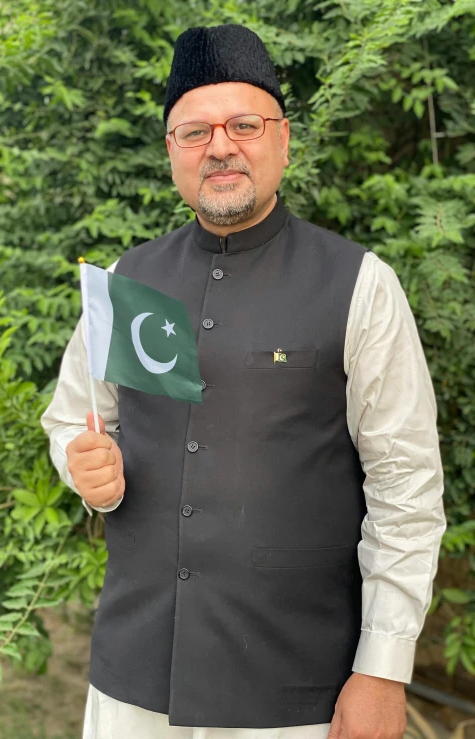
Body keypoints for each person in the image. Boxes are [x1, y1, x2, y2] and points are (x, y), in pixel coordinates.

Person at [41, 23, 447, 739]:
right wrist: (82, 466)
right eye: (194, 131)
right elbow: (74, 420)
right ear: (172, 153)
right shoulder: (125, 282)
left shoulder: (360, 285)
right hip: (134, 684)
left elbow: (406, 485)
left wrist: (383, 667)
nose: (220, 146)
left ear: (282, 140)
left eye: (243, 124)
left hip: (293, 693)